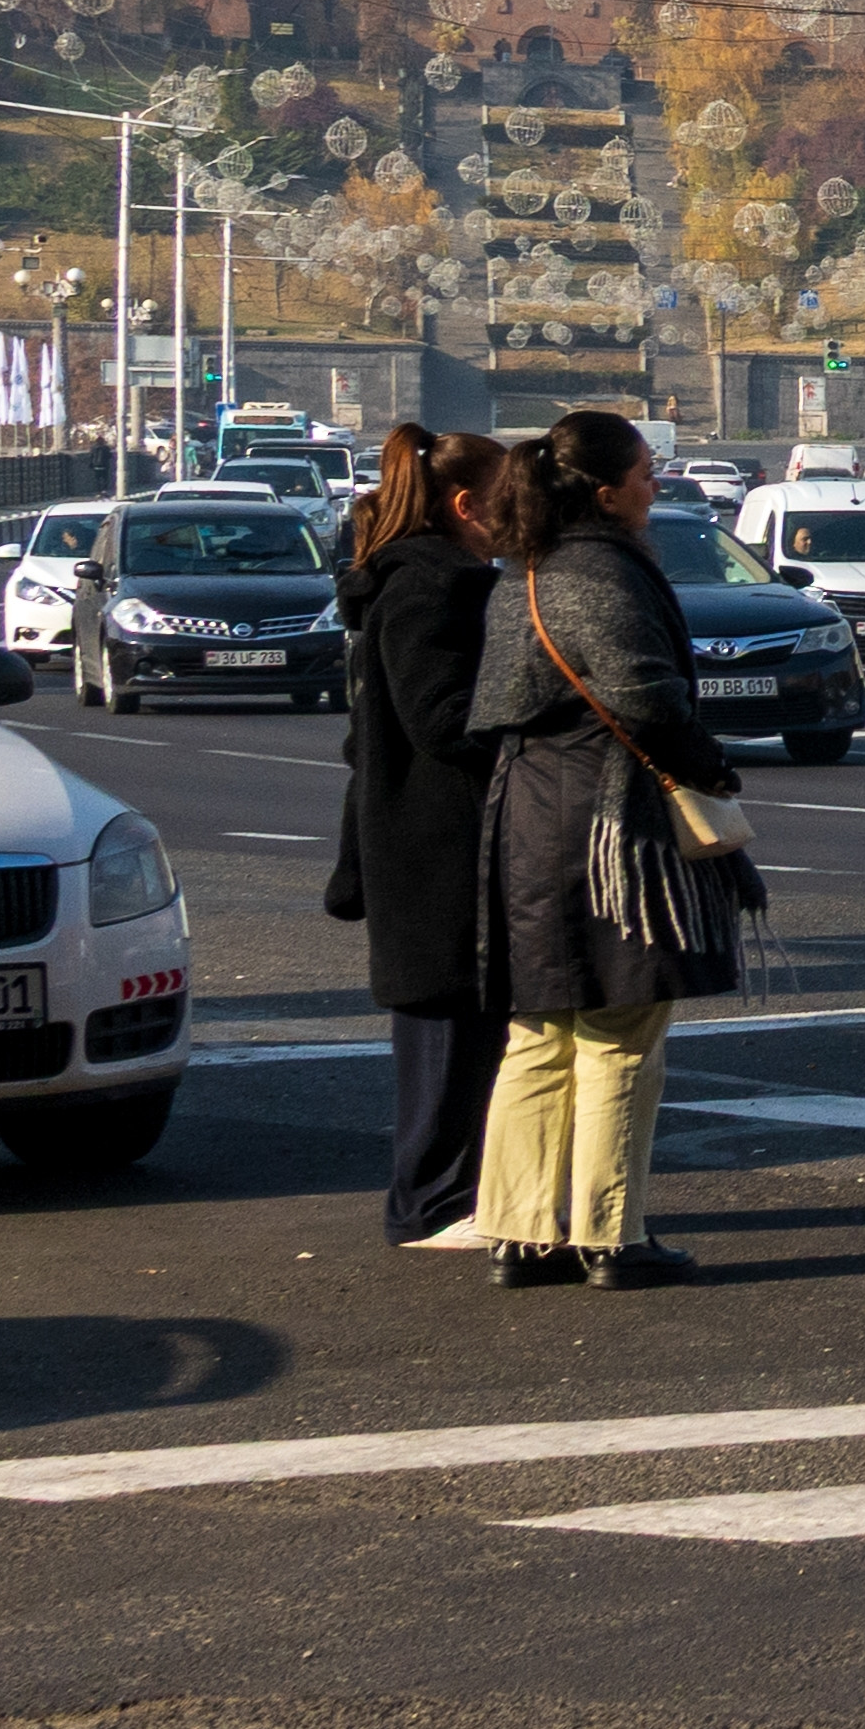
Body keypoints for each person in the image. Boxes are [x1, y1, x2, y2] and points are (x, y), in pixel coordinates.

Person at [470, 406, 750, 1288]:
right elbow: (642, 691)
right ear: (603, 492)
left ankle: (519, 1232)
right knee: (621, 1032)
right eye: (642, 474)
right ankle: (608, 1234)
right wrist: (709, 763)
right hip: (607, 825)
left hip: (531, 815)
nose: (653, 485)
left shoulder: (526, 569)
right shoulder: (601, 568)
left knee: (539, 1032)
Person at [329, 424, 511, 1254]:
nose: (523, 513)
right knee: (446, 1032)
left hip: (429, 839)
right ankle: (431, 1205)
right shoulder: (430, 589)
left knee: (464, 1033)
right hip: (438, 843)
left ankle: (452, 1197)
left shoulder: (431, 581)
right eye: (508, 499)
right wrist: (536, 711)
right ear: (465, 506)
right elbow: (439, 719)